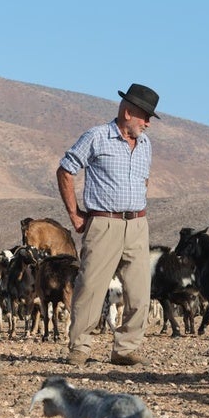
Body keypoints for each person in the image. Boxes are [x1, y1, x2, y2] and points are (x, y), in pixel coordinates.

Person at [56, 83, 160, 366]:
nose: (148, 123)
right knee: (90, 287)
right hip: (103, 223)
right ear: (127, 112)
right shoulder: (97, 137)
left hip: (137, 225)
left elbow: (144, 180)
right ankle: (79, 348)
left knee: (140, 291)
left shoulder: (146, 145)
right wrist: (75, 214)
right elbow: (66, 170)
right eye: (144, 117)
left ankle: (125, 349)